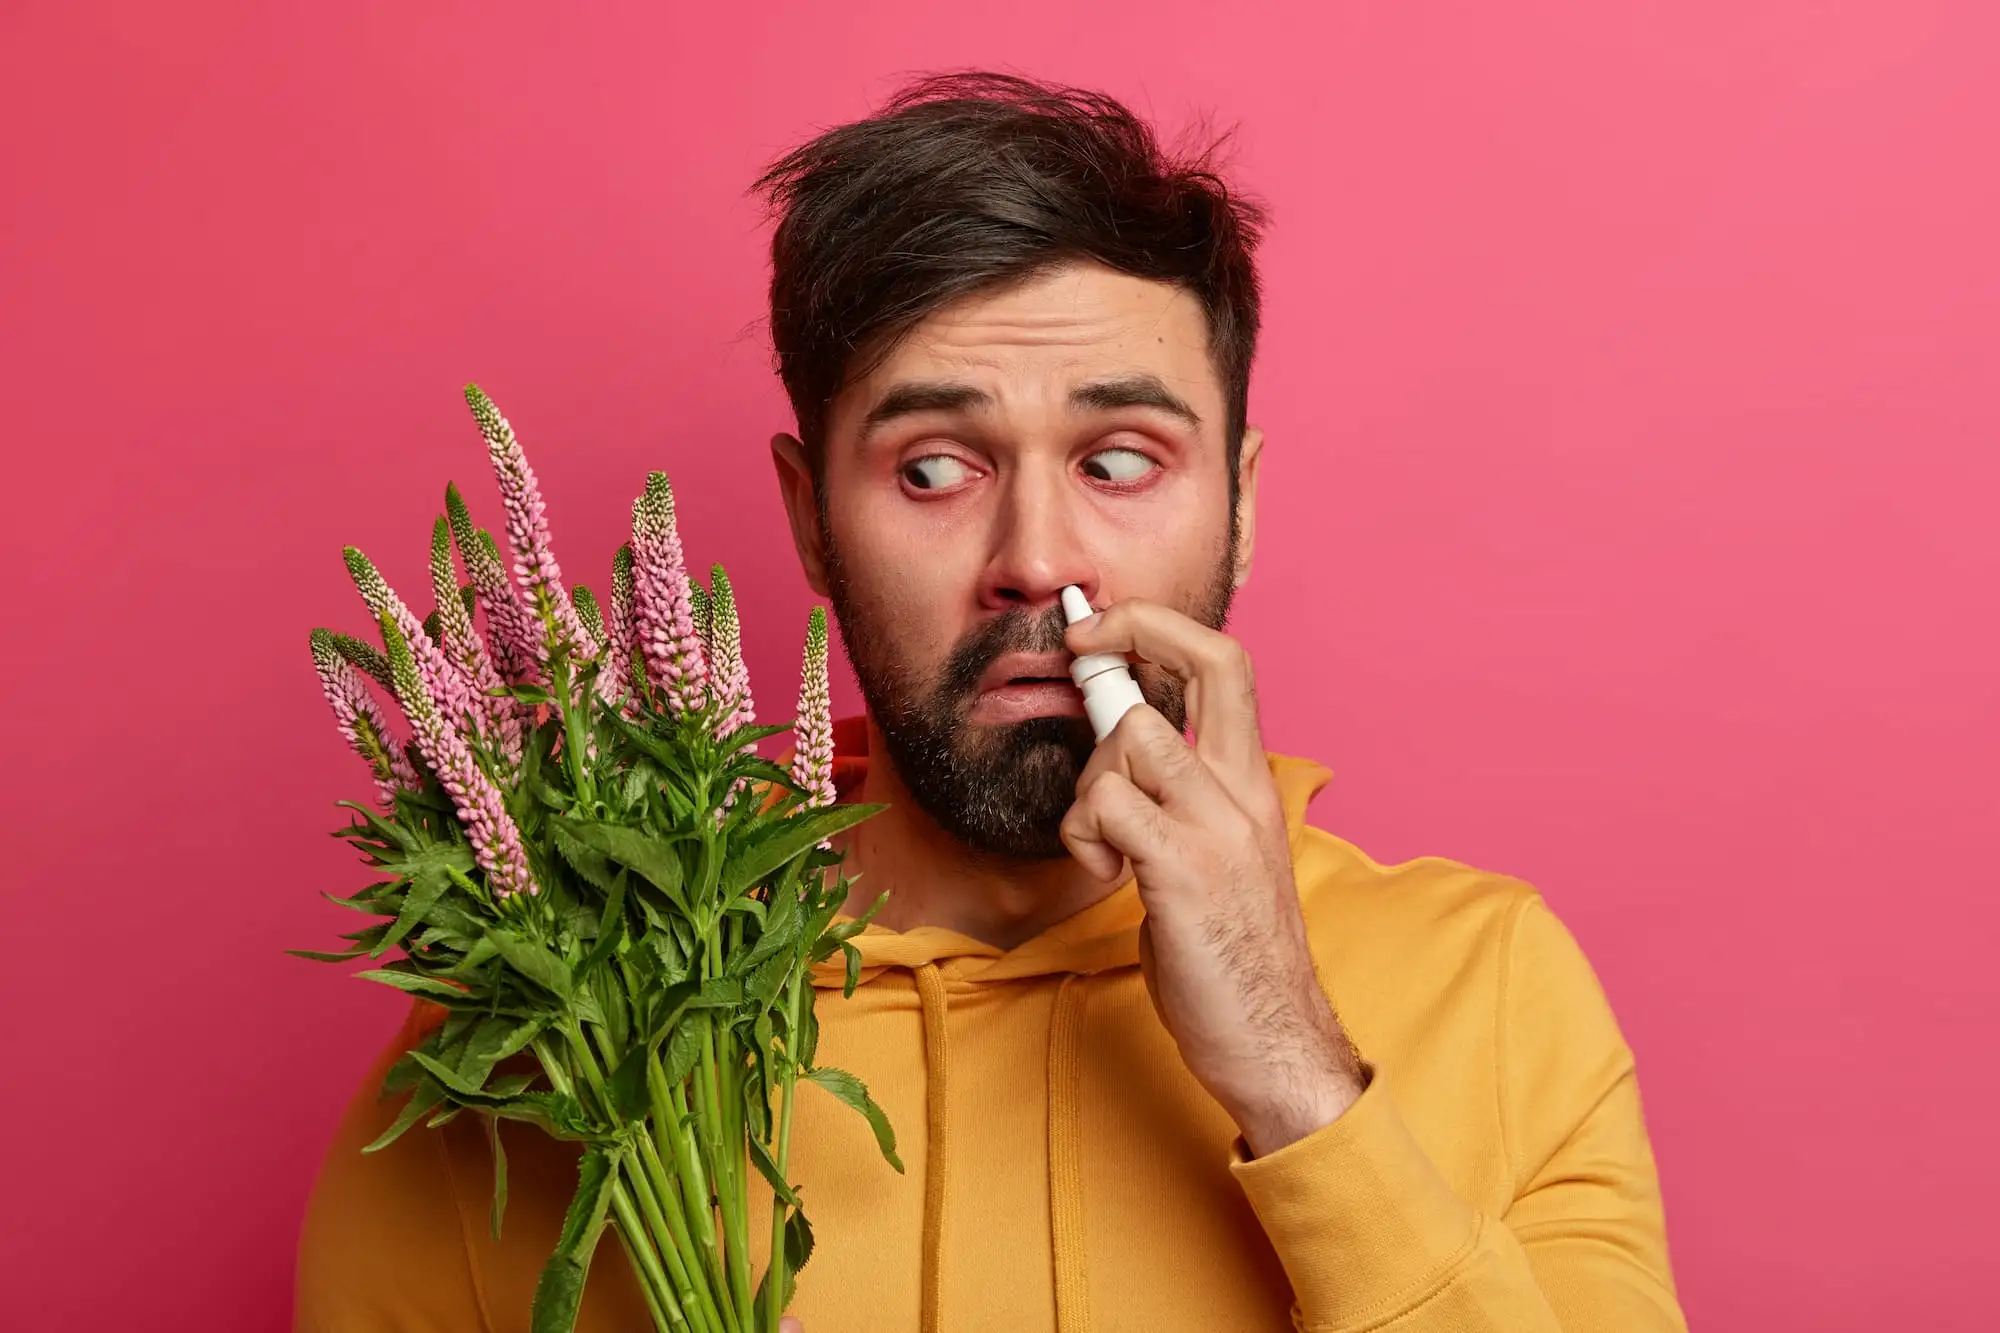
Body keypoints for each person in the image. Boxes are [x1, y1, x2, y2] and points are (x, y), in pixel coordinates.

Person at [296, 71, 1686, 1333]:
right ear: (810, 520)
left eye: (1122, 459)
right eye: (933, 469)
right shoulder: (556, 1027)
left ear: (1243, 505)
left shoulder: (1491, 986)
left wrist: (1290, 1063)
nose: (1035, 558)